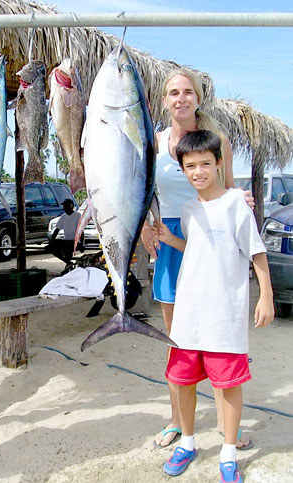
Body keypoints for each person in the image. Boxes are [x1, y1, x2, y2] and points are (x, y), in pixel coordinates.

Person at [141, 68, 254, 449]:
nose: (181, 98)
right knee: (179, 341)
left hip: (210, 235)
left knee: (221, 334)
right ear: (164, 100)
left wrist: (245, 200)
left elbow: (231, 190)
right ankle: (176, 420)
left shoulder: (217, 139)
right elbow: (141, 192)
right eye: (173, 92)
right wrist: (144, 227)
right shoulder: (152, 142)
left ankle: (228, 428)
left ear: (198, 98)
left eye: (188, 91)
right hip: (170, 237)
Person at [154, 130, 274, 481]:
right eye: (190, 166)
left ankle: (228, 452)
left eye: (206, 163)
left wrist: (265, 295)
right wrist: (168, 238)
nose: (199, 171)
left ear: (219, 164)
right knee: (184, 380)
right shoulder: (189, 209)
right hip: (189, 314)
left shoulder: (237, 203)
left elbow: (256, 251)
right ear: (182, 170)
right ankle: (187, 442)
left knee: (229, 384)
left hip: (224, 314)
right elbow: (195, 248)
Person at [48, 198, 83, 271]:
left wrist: (81, 243)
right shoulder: (63, 217)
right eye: (64, 206)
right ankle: (68, 262)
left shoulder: (78, 215)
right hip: (66, 240)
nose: (64, 208)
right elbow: (56, 230)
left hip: (75, 241)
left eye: (66, 206)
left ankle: (68, 264)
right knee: (50, 247)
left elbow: (81, 230)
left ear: (71, 206)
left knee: (67, 249)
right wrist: (52, 241)